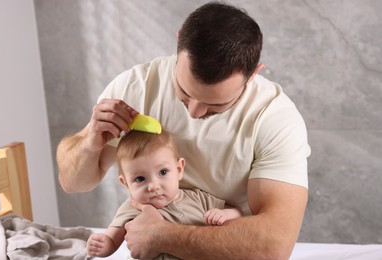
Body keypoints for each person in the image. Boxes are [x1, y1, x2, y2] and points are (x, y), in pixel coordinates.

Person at [57, 2, 310, 259]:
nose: (194, 113)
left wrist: (163, 235)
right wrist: (91, 143)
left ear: (253, 74)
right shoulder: (135, 88)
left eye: (216, 104)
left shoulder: (275, 118)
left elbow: (275, 245)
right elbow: (73, 183)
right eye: (185, 93)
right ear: (179, 42)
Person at [86, 129, 242, 258]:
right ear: (126, 183)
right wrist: (103, 244)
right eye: (140, 179)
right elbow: (112, 240)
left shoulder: (197, 198)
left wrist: (224, 214)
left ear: (179, 169)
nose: (153, 186)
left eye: (163, 172)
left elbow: (238, 212)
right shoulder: (132, 207)